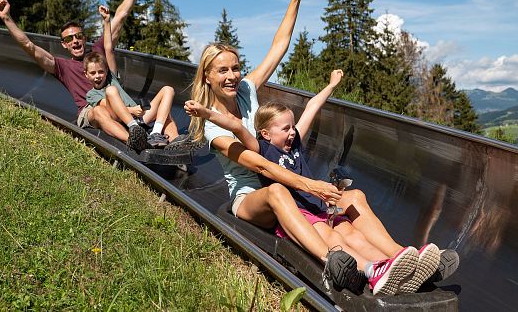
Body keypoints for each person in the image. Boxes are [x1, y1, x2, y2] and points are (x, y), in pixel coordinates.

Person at [184, 0, 383, 294]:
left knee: (347, 200)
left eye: (235, 68)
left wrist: (295, 0)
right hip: (252, 197)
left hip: (289, 185)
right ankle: (331, 261)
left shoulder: (247, 89)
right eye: (222, 71)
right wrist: (311, 184)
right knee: (276, 191)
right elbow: (261, 165)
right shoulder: (213, 130)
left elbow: (278, 48)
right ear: (208, 76)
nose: (232, 76)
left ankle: (389, 260)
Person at [186, 69, 441, 295]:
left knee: (351, 232)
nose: (292, 132)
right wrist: (206, 113)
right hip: (300, 211)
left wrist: (330, 86)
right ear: (265, 133)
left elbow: (311, 108)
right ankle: (372, 270)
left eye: (292, 127)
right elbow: (235, 125)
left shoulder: (294, 141)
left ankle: (398, 264)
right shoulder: (260, 148)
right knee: (333, 237)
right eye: (285, 128)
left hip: (315, 205)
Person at [0, 0, 179, 146]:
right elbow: (29, 46)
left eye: (78, 36)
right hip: (92, 111)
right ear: (64, 44)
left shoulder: (98, 51)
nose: (75, 41)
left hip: (123, 109)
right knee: (99, 110)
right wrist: (7, 18)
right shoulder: (61, 66)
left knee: (165, 111)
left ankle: (175, 145)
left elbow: (120, 17)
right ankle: (135, 141)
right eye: (69, 39)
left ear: (84, 38)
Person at [83, 5, 177, 150]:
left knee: (168, 90)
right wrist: (131, 111)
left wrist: (107, 21)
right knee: (111, 91)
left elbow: (108, 48)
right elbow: (107, 106)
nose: (97, 76)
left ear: (106, 71)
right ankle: (135, 129)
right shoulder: (92, 94)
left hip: (139, 117)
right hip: (123, 120)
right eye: (93, 73)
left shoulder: (111, 78)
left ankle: (160, 135)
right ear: (87, 75)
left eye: (101, 72)